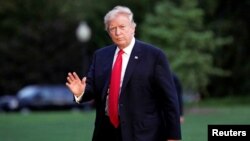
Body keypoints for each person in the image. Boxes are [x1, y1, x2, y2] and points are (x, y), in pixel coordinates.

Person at [66, 6, 181, 141]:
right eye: (112, 28)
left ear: (133, 28)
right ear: (108, 32)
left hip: (143, 134)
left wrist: (174, 136)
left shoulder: (154, 56)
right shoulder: (101, 56)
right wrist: (80, 92)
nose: (117, 32)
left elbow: (169, 99)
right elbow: (93, 89)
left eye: (122, 27)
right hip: (106, 133)